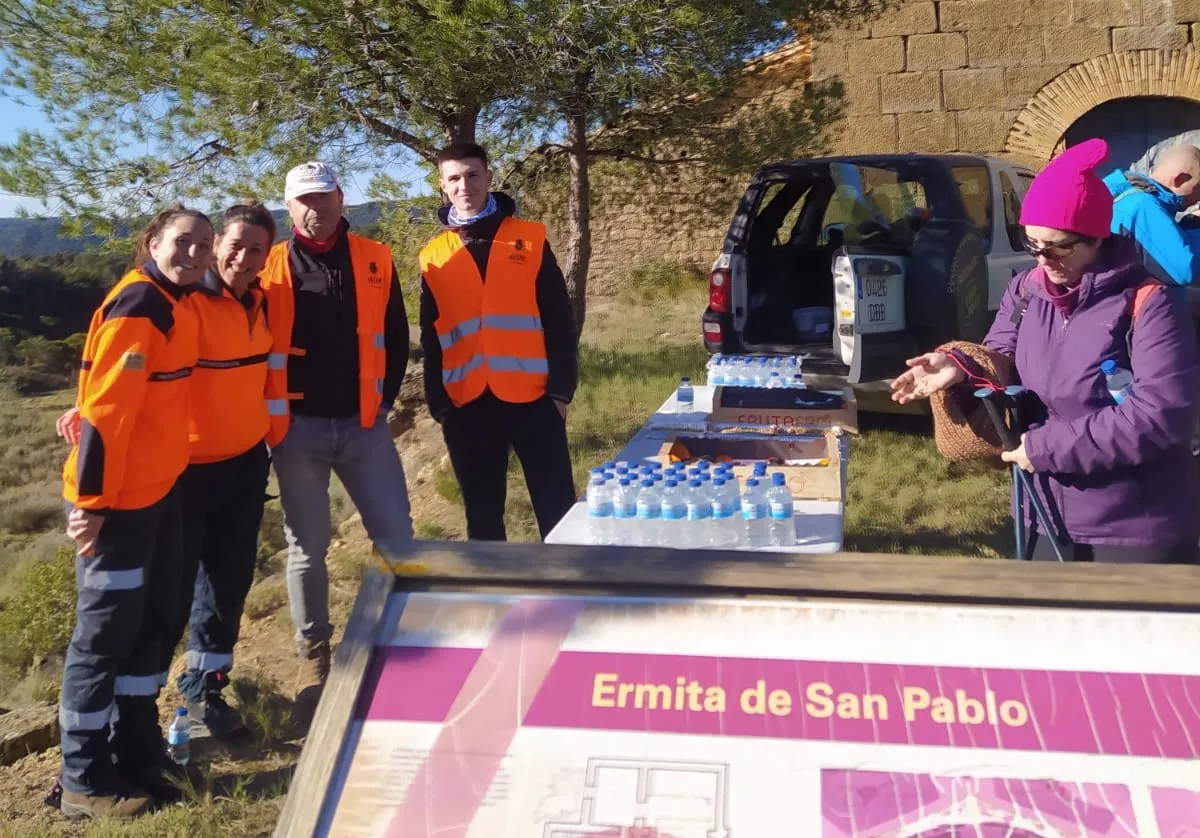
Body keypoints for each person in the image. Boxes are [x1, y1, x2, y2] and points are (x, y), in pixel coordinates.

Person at [892, 138, 1200, 563]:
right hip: (1043, 514)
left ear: (1096, 238)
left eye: (1057, 246)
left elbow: (1159, 417)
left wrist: (1043, 448)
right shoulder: (1026, 291)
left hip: (1135, 528)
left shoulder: (1152, 304)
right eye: (1032, 243)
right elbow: (999, 353)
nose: (1042, 259)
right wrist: (960, 365)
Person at [57, 206, 210, 819]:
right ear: (151, 242)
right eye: (183, 242)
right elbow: (106, 416)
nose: (196, 253)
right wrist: (92, 506)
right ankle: (83, 782)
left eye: (203, 242)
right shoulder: (141, 304)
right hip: (116, 506)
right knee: (102, 642)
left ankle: (137, 756)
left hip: (157, 492)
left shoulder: (174, 301)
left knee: (151, 628)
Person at [259, 161, 413, 694]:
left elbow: (395, 335)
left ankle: (395, 639)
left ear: (341, 199)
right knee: (308, 547)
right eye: (303, 199)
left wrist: (385, 400)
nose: (315, 207)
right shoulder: (268, 266)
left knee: (397, 538)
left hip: (363, 425)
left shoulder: (375, 258)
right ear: (288, 206)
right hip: (294, 430)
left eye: (323, 196)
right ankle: (314, 652)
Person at [419, 142, 578, 541]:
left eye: (473, 175)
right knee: (484, 522)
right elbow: (431, 336)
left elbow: (559, 320)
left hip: (535, 401)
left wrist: (560, 393)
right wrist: (440, 405)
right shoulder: (433, 257)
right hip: (468, 407)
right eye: (454, 178)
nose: (464, 185)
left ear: (489, 177)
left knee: (558, 512)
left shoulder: (530, 239)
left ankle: (570, 596)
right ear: (442, 185)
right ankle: (494, 602)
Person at [1103, 143, 1200, 286]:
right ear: (1180, 179)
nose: (1198, 197)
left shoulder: (1119, 188)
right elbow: (1185, 271)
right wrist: (1195, 224)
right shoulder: (1143, 206)